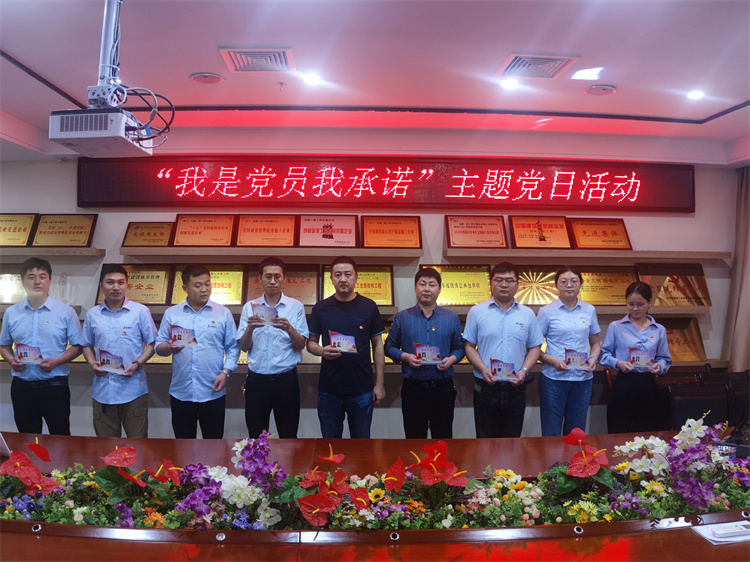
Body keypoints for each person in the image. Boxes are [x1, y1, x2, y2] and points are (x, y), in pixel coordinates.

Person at [0, 258, 83, 435]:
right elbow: (3, 345)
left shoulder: (66, 312)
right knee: (27, 438)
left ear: (50, 280)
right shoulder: (12, 312)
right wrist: (11, 361)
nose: (37, 282)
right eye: (31, 277)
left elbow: (78, 346)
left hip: (55, 385)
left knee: (60, 437)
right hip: (22, 385)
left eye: (42, 277)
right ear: (22, 281)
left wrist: (56, 362)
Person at [155, 264, 239, 439]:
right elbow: (159, 346)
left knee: (213, 445)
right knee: (183, 446)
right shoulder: (172, 314)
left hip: (213, 391)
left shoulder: (223, 313)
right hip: (181, 392)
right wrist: (168, 348)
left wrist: (225, 372)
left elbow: (233, 347)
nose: (204, 289)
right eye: (198, 285)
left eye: (207, 284)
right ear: (185, 288)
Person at [306, 256, 385, 438]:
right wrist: (322, 351)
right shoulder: (320, 308)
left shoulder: (369, 306)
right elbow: (310, 344)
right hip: (329, 390)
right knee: (331, 445)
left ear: (356, 277)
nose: (343, 279)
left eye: (348, 274)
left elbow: (378, 345)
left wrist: (379, 384)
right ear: (331, 278)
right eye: (338, 275)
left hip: (362, 389)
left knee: (361, 444)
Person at [463, 262, 543, 438]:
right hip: (486, 386)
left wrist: (524, 370)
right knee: (485, 440)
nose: (504, 285)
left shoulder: (527, 314)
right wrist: (483, 369)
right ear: (491, 283)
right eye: (499, 280)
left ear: (517, 284)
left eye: (509, 280)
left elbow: (535, 347)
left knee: (512, 440)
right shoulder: (477, 312)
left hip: (516, 386)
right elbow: (469, 346)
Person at [385, 267, 464, 438]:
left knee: (443, 438)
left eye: (432, 285)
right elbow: (389, 348)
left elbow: (460, 348)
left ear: (439, 289)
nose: (427, 289)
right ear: (415, 288)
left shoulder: (451, 318)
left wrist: (451, 359)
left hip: (443, 389)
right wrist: (406, 357)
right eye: (422, 284)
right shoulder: (402, 317)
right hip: (413, 388)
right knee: (414, 439)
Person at [81, 265, 157, 438]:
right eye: (110, 282)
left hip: (133, 390)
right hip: (103, 391)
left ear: (127, 285)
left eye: (120, 282)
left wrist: (137, 364)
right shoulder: (93, 314)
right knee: (106, 446)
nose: (116, 287)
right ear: (101, 286)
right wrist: (92, 363)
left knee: (138, 444)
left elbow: (153, 343)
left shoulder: (140, 312)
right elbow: (85, 344)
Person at [238, 257, 309, 438]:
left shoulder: (295, 307)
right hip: (256, 381)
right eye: (268, 276)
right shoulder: (249, 307)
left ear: (284, 278)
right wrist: (250, 328)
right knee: (256, 436)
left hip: (286, 380)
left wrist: (289, 329)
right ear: (260, 278)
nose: (272, 281)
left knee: (288, 436)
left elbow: (301, 344)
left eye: (277, 276)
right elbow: (244, 347)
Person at [536, 266, 602, 437]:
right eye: (564, 281)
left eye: (574, 281)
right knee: (551, 431)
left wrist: (593, 358)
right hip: (554, 379)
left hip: (582, 379)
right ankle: (552, 456)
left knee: (576, 433)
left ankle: (574, 457)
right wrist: (551, 360)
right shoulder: (546, 312)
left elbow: (595, 343)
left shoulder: (589, 310)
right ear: (556, 285)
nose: (569, 285)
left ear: (580, 284)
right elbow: (534, 347)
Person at [600, 281, 672, 434]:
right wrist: (618, 363)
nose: (635, 309)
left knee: (646, 432)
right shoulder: (616, 326)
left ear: (649, 303)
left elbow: (665, 358)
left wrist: (659, 366)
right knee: (619, 430)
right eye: (630, 304)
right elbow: (604, 355)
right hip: (624, 382)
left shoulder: (658, 329)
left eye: (640, 304)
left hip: (648, 383)